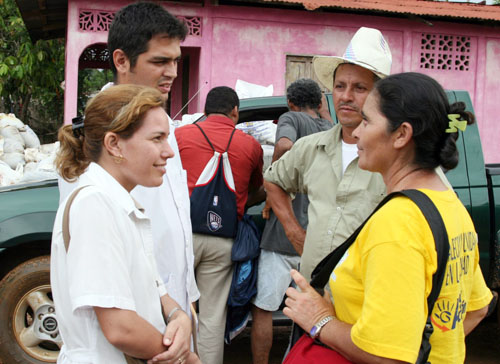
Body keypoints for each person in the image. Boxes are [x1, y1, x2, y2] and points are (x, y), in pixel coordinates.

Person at [283, 72, 493, 363]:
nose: (356, 133)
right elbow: (476, 309)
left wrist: (320, 320)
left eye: (367, 121)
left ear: (402, 135)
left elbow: (386, 356)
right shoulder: (451, 205)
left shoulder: (398, 223)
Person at [58, 1, 200, 321]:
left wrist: (185, 299)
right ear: (121, 60)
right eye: (160, 61)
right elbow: (93, 249)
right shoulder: (95, 136)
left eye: (176, 61)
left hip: (173, 306)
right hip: (132, 315)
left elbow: (173, 213)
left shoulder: (160, 122)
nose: (173, 73)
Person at [52, 84, 200, 364]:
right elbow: (120, 328)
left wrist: (178, 317)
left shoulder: (121, 204)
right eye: (157, 138)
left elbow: (158, 293)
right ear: (114, 144)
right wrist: (186, 358)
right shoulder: (94, 204)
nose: (168, 152)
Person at [263, 27, 390, 282]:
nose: (345, 96)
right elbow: (273, 180)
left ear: (380, 95)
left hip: (366, 296)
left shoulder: (397, 157)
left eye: (359, 88)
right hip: (314, 294)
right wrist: (294, 232)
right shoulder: (310, 147)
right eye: (340, 86)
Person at [176, 86, 265, 364]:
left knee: (174, 308)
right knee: (213, 317)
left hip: (182, 237)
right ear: (235, 111)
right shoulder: (250, 145)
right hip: (223, 240)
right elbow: (256, 190)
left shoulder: (180, 136)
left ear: (205, 109)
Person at [250, 78, 333, 364]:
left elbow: (284, 144)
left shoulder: (291, 117)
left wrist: (274, 176)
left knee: (263, 309)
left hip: (282, 239)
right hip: (319, 241)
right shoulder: (333, 130)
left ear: (290, 102)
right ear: (320, 104)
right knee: (313, 313)